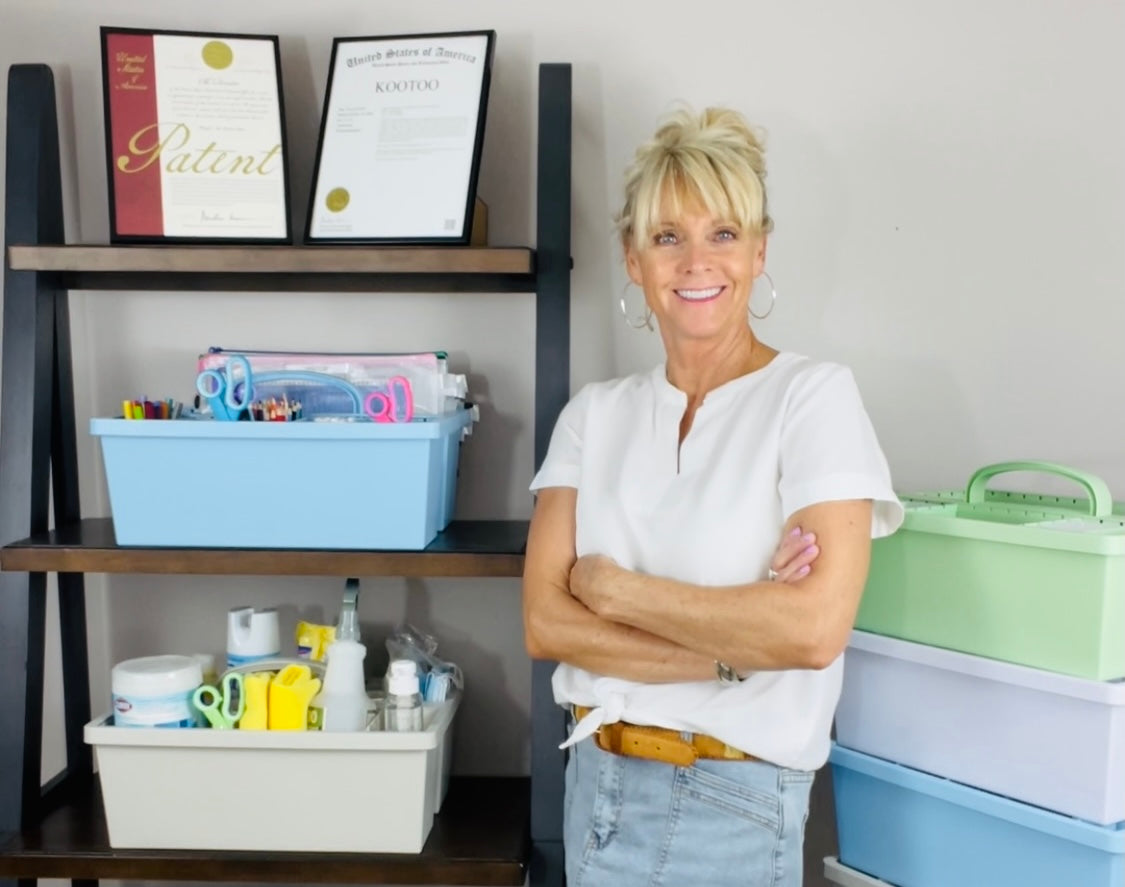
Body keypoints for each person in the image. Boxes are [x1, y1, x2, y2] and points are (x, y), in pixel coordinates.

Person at [521, 106, 904, 887]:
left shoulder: (812, 398)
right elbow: (544, 621)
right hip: (593, 784)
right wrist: (729, 653)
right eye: (667, 237)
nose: (696, 262)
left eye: (722, 234)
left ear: (760, 250)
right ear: (633, 259)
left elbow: (808, 630)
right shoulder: (593, 415)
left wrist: (610, 588)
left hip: (732, 801)